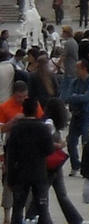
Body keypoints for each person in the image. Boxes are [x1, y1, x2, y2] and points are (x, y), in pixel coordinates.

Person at [5, 95, 56, 224]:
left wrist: (9, 178)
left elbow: (10, 155)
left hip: (20, 173)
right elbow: (50, 150)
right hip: (39, 172)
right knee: (42, 208)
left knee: (18, 208)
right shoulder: (43, 128)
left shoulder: (16, 129)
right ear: (36, 110)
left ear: (23, 110)